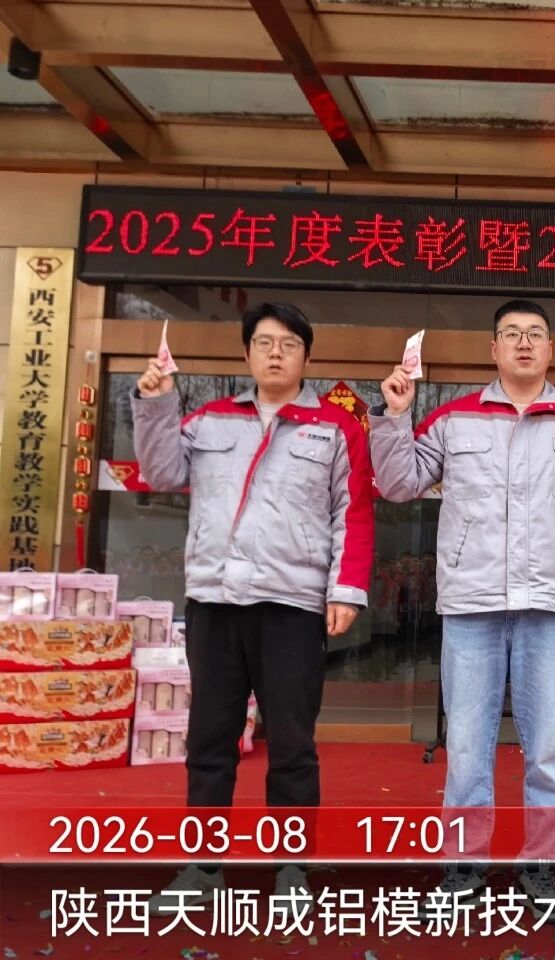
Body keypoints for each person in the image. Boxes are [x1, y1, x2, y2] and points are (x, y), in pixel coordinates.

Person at [369, 299, 555, 903]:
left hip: (552, 605)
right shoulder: (453, 418)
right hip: (472, 606)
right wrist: (395, 417)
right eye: (512, 333)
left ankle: (541, 863)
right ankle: (464, 864)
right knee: (466, 744)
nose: (524, 343)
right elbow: (399, 484)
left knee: (550, 745)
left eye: (535, 333)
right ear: (494, 349)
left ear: (550, 349)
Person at [133, 302, 374, 911]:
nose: (275, 353)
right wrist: (156, 404)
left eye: (288, 344)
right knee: (208, 740)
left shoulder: (334, 428)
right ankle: (202, 868)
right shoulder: (210, 419)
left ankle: (290, 867)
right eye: (264, 342)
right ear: (247, 353)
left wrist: (345, 590)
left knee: (291, 742)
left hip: (292, 606)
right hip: (214, 602)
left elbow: (354, 513)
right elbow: (160, 472)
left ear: (306, 357)